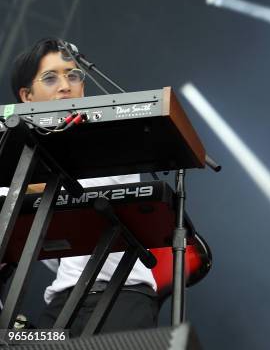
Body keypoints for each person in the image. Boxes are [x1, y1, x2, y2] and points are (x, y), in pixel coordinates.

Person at [3, 38, 158, 336]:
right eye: (50, 78)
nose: (65, 85)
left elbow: (72, 193)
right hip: (63, 301)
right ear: (27, 96)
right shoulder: (26, 155)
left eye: (73, 75)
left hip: (122, 295)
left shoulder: (108, 137)